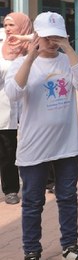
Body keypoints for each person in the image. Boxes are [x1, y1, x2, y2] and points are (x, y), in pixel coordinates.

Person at [5, 12, 78, 260]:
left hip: (67, 145)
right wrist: (30, 56)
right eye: (46, 36)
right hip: (34, 147)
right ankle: (31, 252)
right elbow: (13, 92)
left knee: (68, 197)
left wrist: (67, 47)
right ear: (36, 35)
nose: (51, 41)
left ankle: (69, 245)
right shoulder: (20, 63)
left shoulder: (68, 61)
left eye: (57, 36)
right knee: (32, 202)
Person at [0, 12, 32, 206]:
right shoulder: (1, 46)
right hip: (5, 105)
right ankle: (11, 189)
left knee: (38, 141)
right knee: (7, 149)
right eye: (5, 25)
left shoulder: (33, 47)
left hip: (31, 103)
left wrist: (22, 39)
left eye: (12, 25)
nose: (8, 29)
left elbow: (39, 38)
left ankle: (49, 180)